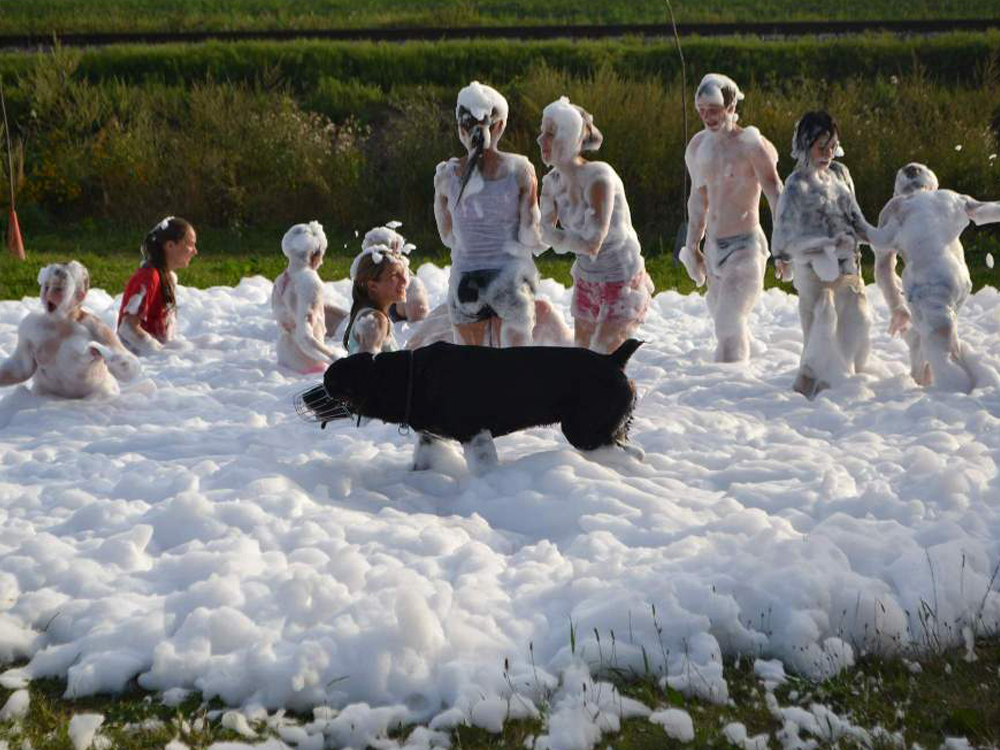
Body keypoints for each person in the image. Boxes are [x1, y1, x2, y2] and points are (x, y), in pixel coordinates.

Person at [772, 111, 880, 398]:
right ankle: (807, 401)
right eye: (822, 147)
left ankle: (845, 395)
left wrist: (890, 239)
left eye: (832, 147)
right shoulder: (796, 186)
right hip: (813, 273)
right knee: (817, 337)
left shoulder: (840, 176)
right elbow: (782, 237)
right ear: (805, 145)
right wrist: (820, 247)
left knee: (855, 326)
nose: (828, 154)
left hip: (848, 269)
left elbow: (858, 221)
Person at [536, 96, 654, 353]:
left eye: (551, 133)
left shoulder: (599, 177)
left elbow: (592, 242)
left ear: (570, 139)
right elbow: (540, 235)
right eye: (541, 132)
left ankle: (624, 394)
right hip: (587, 279)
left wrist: (551, 236)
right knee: (582, 356)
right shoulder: (551, 183)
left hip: (622, 280)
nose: (541, 140)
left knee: (602, 355)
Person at [680, 74, 783, 362]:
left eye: (713, 110)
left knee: (728, 321)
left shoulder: (752, 145)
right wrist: (692, 246)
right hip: (714, 248)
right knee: (725, 324)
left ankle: (729, 382)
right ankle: (735, 388)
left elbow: (776, 194)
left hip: (745, 247)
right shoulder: (698, 146)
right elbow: (698, 200)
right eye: (701, 111)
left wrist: (784, 247)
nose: (707, 117)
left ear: (731, 105)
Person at [433, 80, 544, 347]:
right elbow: (531, 235)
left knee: (472, 375)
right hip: (510, 282)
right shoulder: (522, 170)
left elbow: (448, 236)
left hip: (465, 285)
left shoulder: (445, 175)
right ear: (501, 126)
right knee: (515, 373)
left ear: (461, 129)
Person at [871, 162, 1000, 392]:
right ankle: (945, 391)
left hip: (930, 286)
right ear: (931, 185)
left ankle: (961, 401)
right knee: (934, 341)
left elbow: (883, 269)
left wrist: (896, 307)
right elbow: (985, 211)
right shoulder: (949, 198)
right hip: (959, 284)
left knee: (940, 353)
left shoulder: (897, 208)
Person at [0, 261, 140, 398]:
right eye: (46, 286)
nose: (47, 295)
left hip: (89, 409)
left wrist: (114, 359)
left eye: (58, 289)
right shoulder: (34, 326)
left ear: (80, 295)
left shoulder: (94, 329)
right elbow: (20, 368)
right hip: (43, 407)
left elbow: (130, 372)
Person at [117, 216, 198, 355]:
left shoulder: (168, 276)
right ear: (170, 245)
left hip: (153, 362)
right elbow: (127, 328)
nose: (195, 251)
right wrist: (160, 354)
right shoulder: (148, 276)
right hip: (138, 362)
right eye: (190, 244)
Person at [271, 221, 339, 373]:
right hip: (309, 365)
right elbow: (305, 337)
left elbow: (291, 319)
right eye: (322, 255)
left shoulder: (280, 281)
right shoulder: (310, 282)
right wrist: (334, 359)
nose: (322, 262)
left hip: (285, 359)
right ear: (314, 254)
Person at [342, 238, 410, 355]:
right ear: (373, 286)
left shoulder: (369, 315)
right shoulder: (376, 320)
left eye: (402, 273)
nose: (404, 280)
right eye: (395, 275)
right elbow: (367, 368)